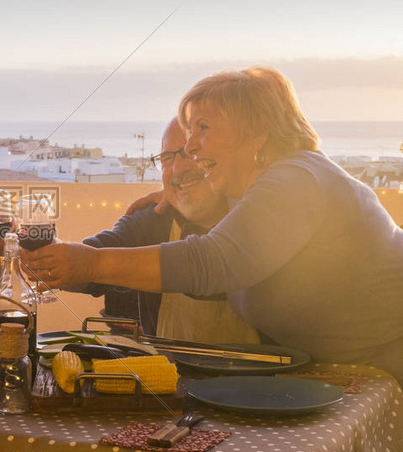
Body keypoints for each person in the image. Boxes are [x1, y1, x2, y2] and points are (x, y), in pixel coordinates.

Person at [25, 67, 403, 384]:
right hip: (344, 371)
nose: (191, 147)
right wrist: (173, 188)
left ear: (257, 131)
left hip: (389, 364)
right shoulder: (255, 191)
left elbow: (212, 261)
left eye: (202, 129)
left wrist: (93, 263)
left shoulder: (296, 177)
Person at [81, 118, 259, 344]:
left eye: (188, 153)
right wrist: (53, 259)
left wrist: (88, 262)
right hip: (171, 376)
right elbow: (92, 260)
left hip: (259, 378)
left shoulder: (258, 219)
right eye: (166, 158)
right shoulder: (153, 219)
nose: (177, 168)